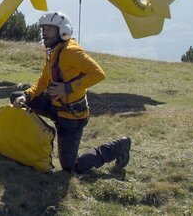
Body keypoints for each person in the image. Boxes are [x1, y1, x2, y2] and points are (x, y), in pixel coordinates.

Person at [10, 11, 131, 173]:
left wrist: (68, 88)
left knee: (70, 167)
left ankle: (120, 146)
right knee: (17, 98)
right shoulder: (53, 51)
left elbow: (98, 73)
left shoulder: (70, 51)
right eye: (43, 29)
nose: (44, 33)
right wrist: (27, 95)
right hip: (54, 106)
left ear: (63, 31)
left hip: (71, 117)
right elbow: (44, 80)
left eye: (49, 29)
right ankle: (41, 137)